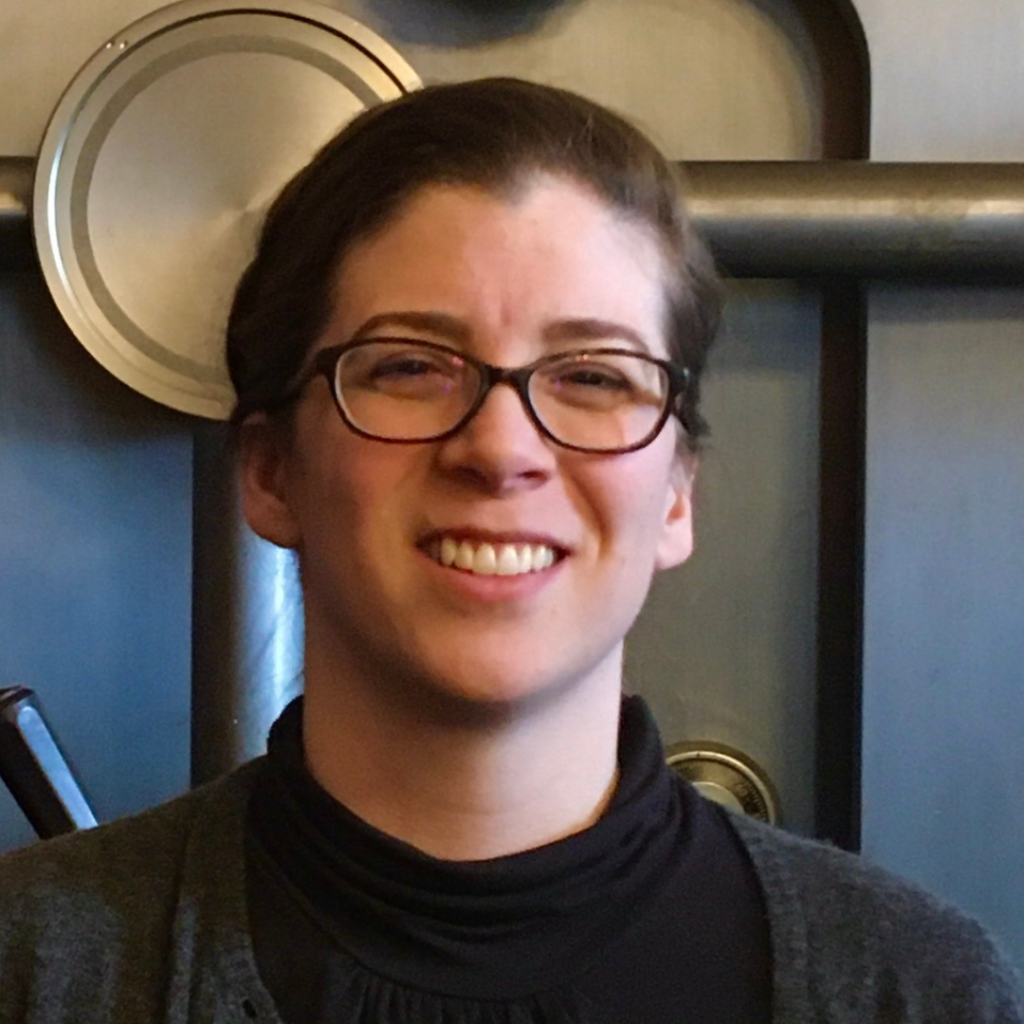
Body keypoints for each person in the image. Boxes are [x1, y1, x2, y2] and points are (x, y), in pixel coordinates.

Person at [0, 77, 1021, 1024]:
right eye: (408, 366)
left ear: (675, 493)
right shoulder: (35, 965)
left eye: (593, 376)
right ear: (269, 471)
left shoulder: (917, 986)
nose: (500, 448)